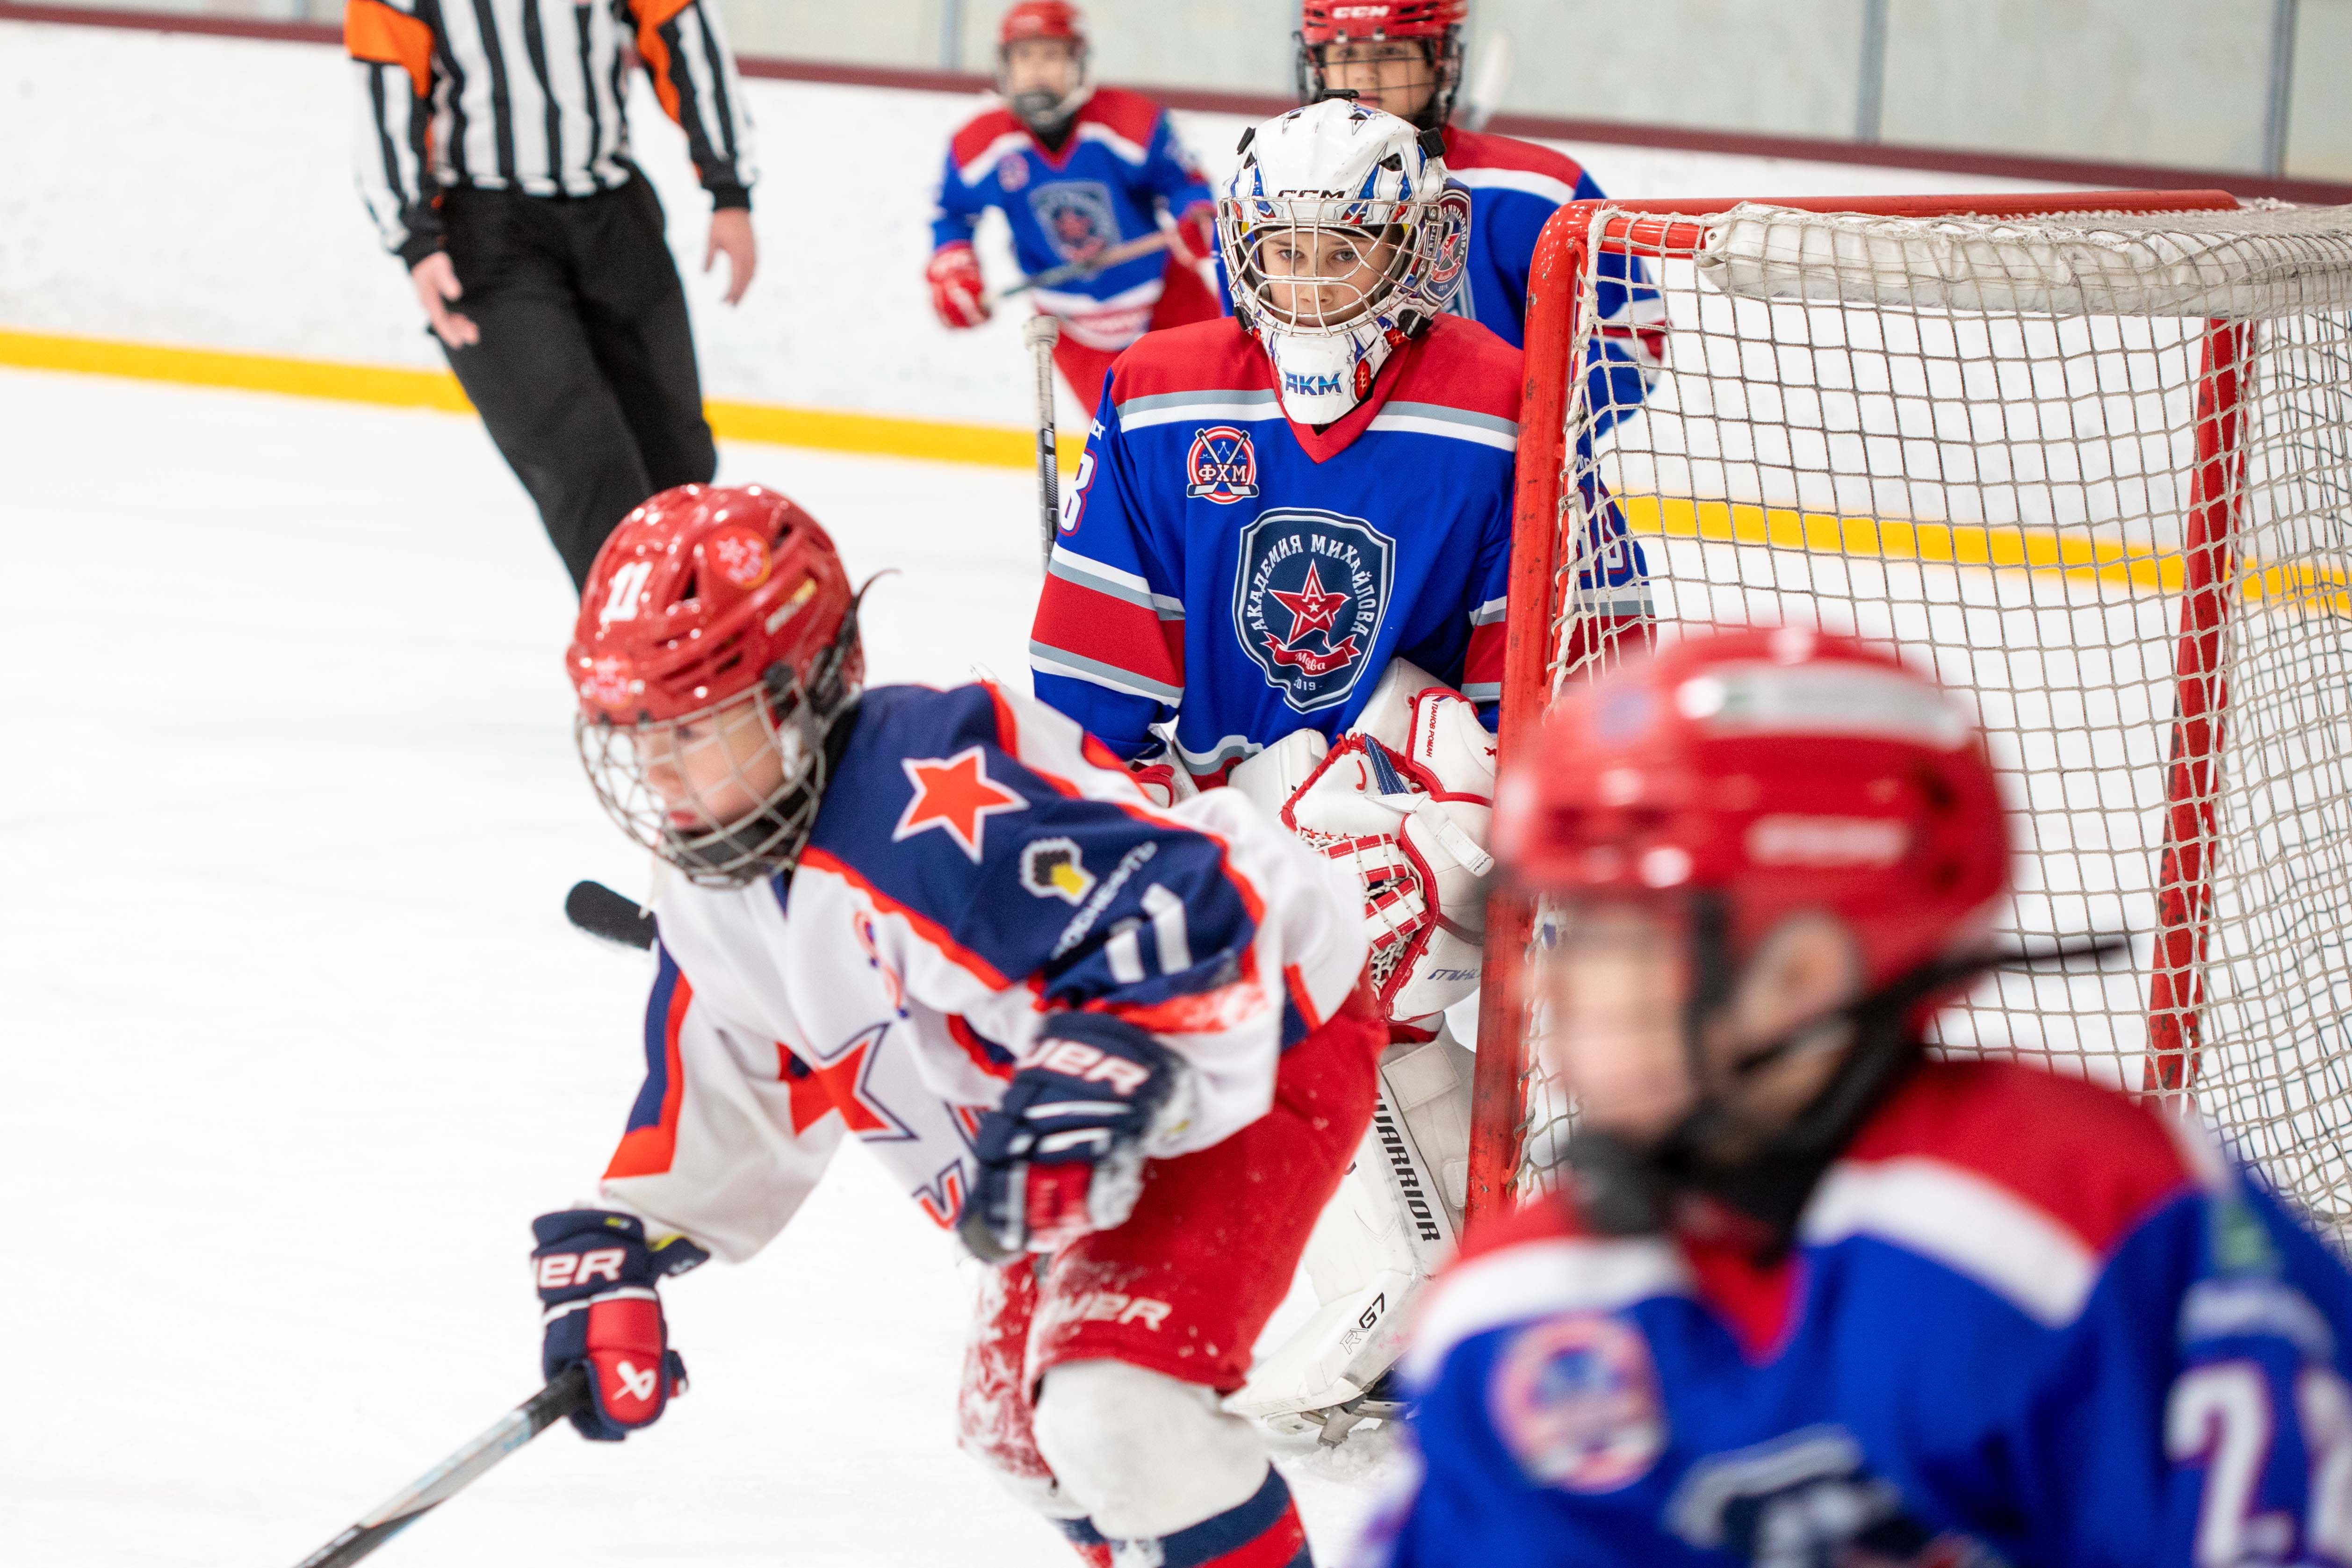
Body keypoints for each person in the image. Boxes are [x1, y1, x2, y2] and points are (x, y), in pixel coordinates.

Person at [1363, 625, 2352, 1566]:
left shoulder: (2082, 1227)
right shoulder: (1516, 1307)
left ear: (1799, 973)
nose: (1546, 983)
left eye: (1614, 939)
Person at [535, 482, 1380, 1565]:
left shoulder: (925, 793)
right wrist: (624, 1243)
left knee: (1117, 1407)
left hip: (1258, 1030)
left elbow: (1198, 902)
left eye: (694, 728)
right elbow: (738, 1085)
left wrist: (1099, 1062)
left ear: (804, 693)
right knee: (1018, 1434)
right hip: (1075, 1103)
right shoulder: (716, 879)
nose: (656, 770)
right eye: (638, 730)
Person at [1027, 97, 1519, 1435]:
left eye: (1338, 250)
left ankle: (1452, 1253)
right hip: (1230, 806)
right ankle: (1465, 1250)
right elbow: (1094, 687)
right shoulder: (1161, 383)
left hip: (1422, 792)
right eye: (1281, 250)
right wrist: (1115, 843)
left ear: (1410, 251)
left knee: (1365, 906)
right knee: (1301, 946)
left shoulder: (1495, 401)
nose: (1303, 280)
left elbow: (1530, 684)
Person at [346, 0, 757, 590]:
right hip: (484, 233)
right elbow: (384, 91)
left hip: (614, 214)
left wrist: (730, 190)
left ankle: (717, 644)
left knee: (678, 456)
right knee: (584, 463)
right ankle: (643, 659)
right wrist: (415, 242)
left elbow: (682, 32)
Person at [927, 1, 1225, 408]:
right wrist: (953, 272)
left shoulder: (1130, 121)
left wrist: (1196, 217)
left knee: (1227, 423)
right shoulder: (980, 145)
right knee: (1127, 455)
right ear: (1005, 66)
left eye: (1052, 55)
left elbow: (1182, 184)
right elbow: (953, 216)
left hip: (1169, 303)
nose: (1036, 69)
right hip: (1070, 326)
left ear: (1078, 62)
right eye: (1024, 56)